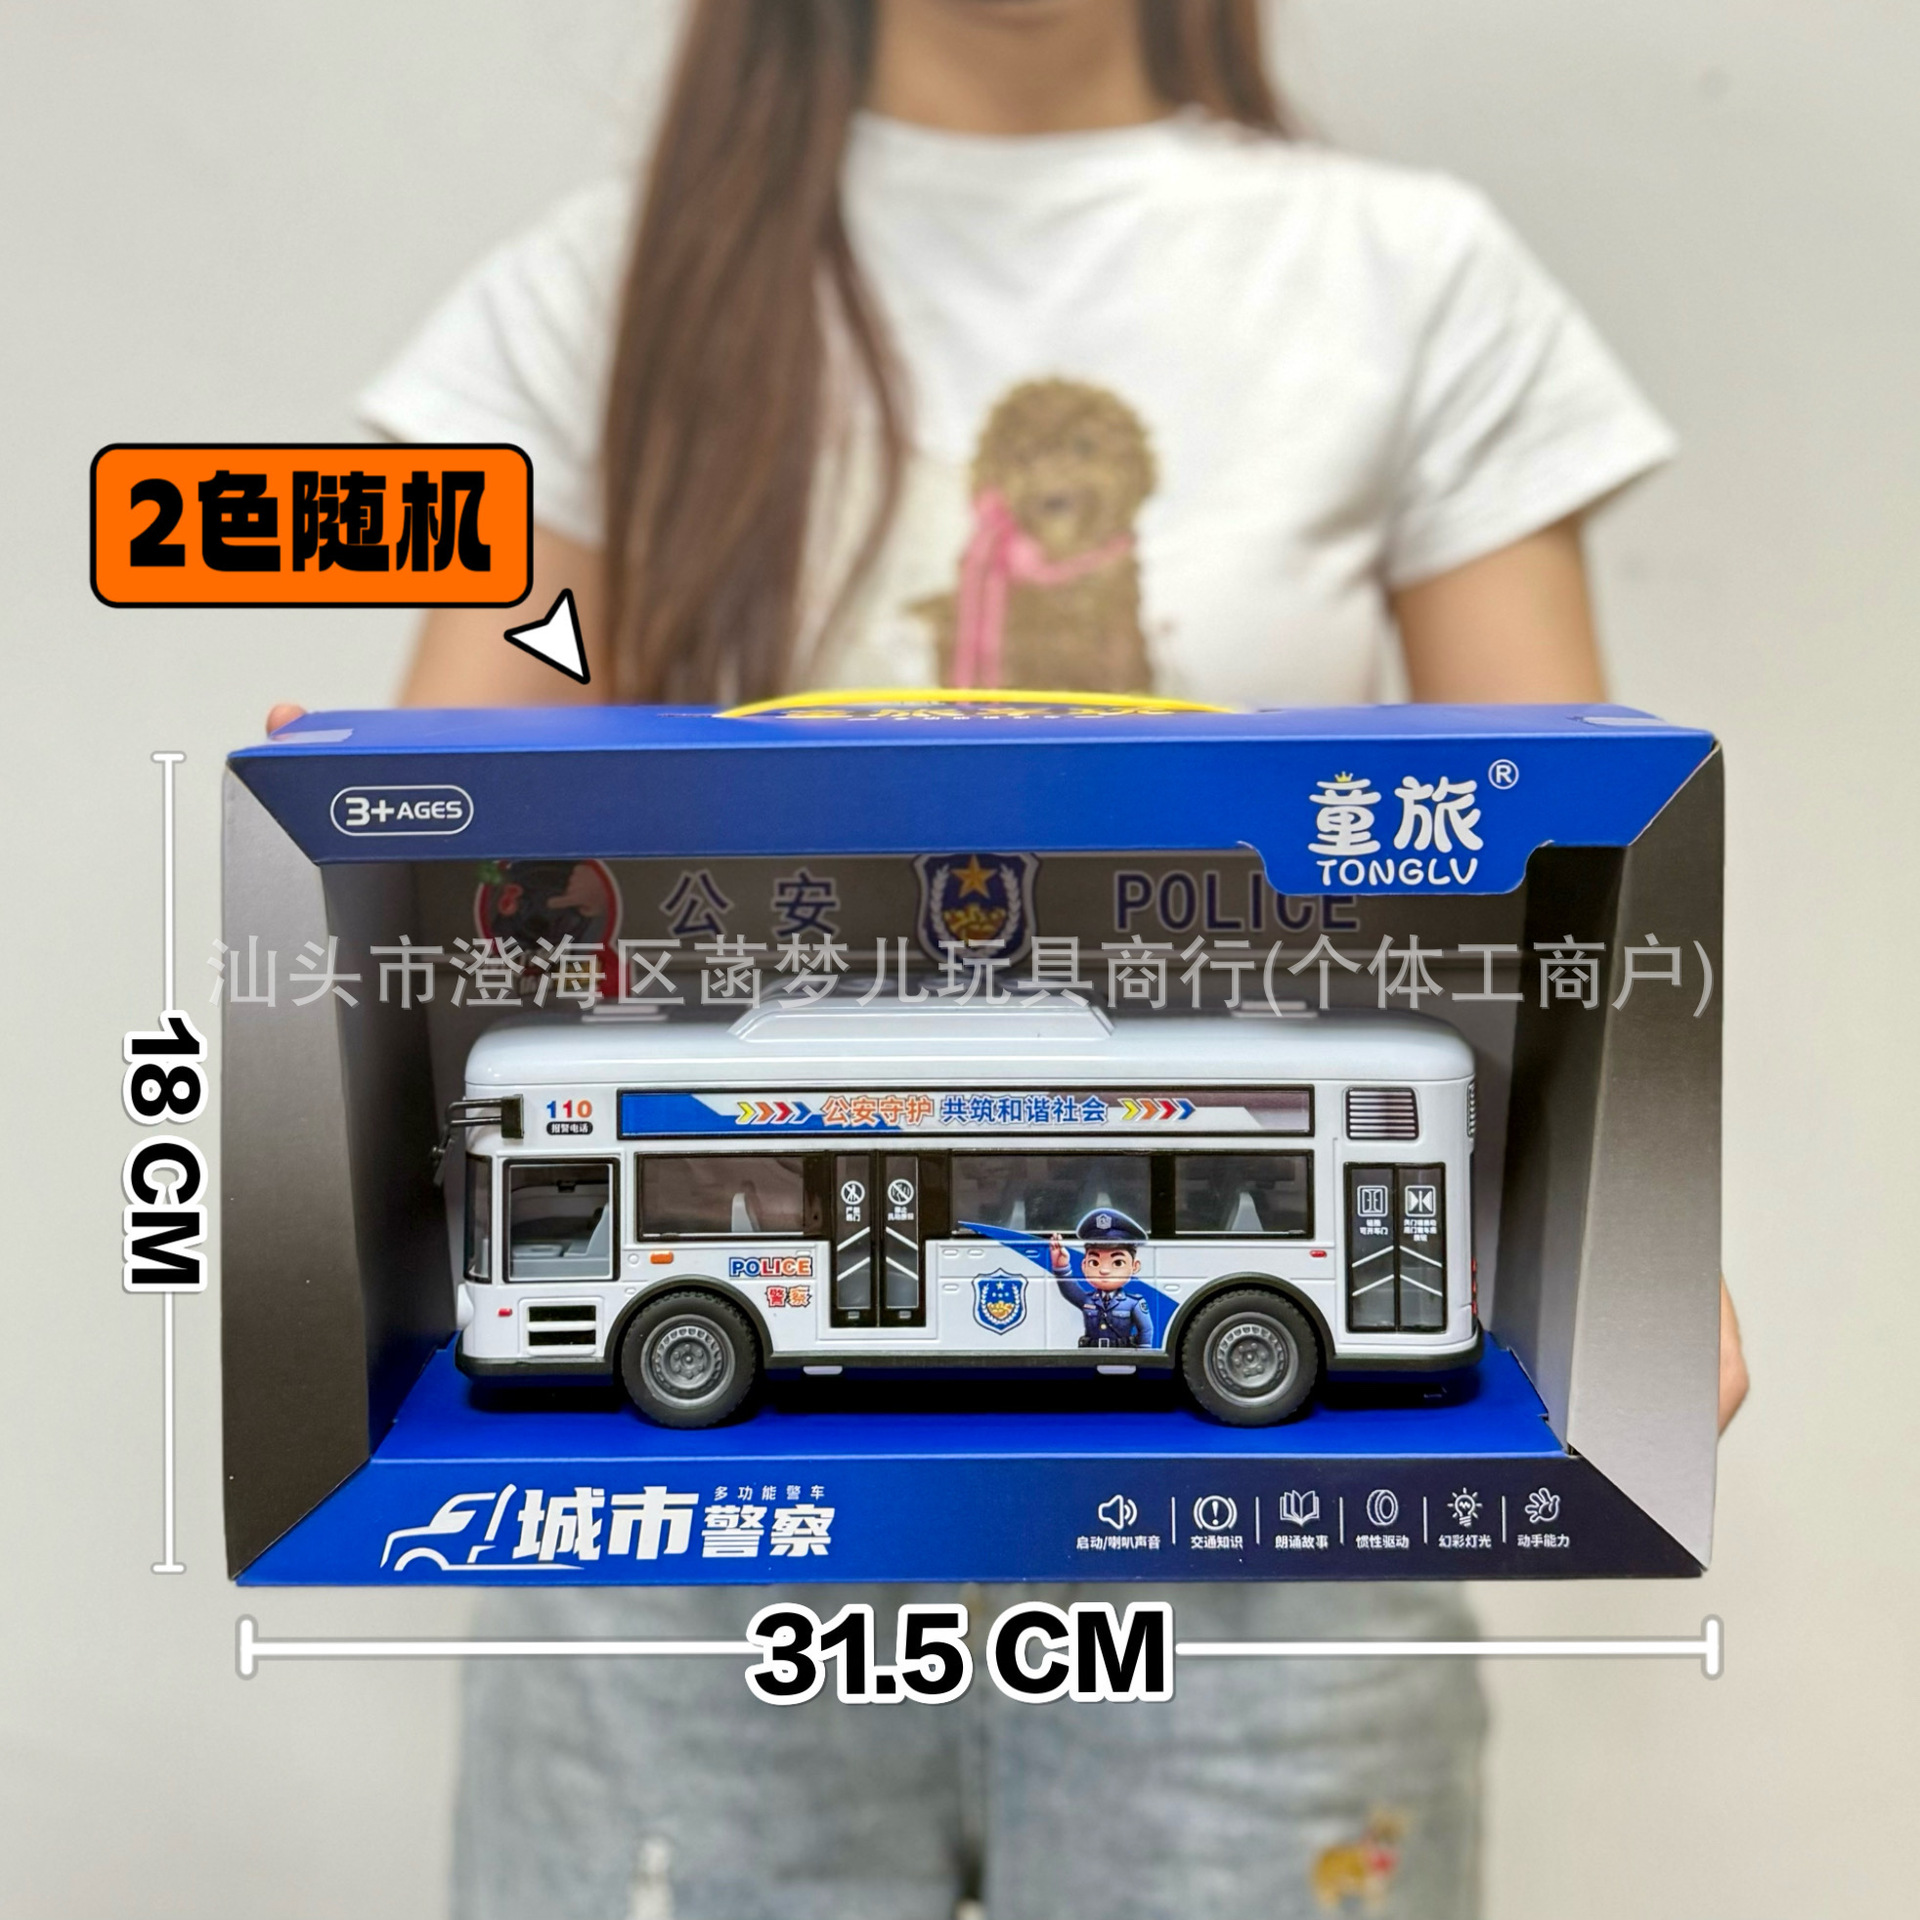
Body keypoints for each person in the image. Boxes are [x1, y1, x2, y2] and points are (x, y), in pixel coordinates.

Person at [273, 3, 1748, 1914]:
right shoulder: (594, 293)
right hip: (689, 1570)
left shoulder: (1413, 273)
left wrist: (1625, 1241)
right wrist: (343, 827)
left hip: (1259, 1573)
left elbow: (1567, 869)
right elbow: (472, 848)